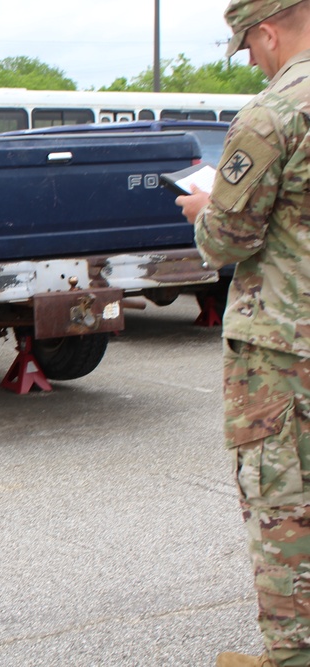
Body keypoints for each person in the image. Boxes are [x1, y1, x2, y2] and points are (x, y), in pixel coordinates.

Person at [176, 2, 310, 665]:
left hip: (285, 356)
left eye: (249, 48)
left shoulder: (273, 115)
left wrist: (205, 209)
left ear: (269, 31)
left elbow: (228, 239)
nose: (253, 60)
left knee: (284, 507)